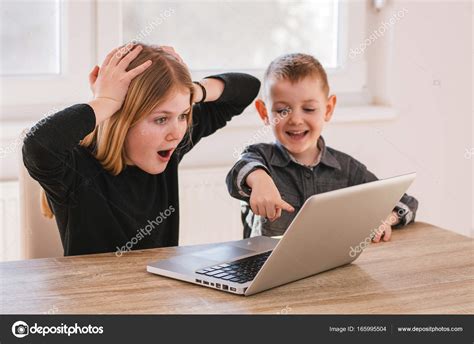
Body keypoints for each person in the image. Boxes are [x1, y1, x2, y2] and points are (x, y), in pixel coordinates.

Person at [22, 43, 260, 256]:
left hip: (156, 298)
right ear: (122, 118)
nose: (177, 133)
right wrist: (106, 101)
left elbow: (248, 87)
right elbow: (38, 145)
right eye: (161, 119)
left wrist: (191, 90)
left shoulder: (170, 146)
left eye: (183, 115)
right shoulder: (77, 169)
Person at [226, 53, 418, 241]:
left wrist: (386, 219)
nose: (296, 120)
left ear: (328, 109)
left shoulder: (348, 169)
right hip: (266, 270)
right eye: (282, 110)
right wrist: (259, 179)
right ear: (264, 113)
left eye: (308, 109)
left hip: (329, 270)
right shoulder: (259, 157)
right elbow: (240, 172)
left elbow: (406, 203)